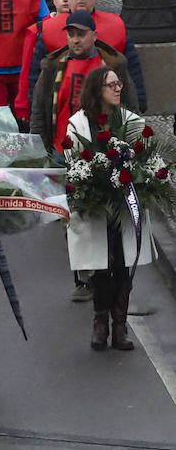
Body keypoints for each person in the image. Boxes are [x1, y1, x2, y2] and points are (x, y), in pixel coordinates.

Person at [65, 66, 144, 350]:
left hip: (124, 207)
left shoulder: (131, 121)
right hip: (97, 208)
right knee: (101, 268)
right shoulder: (78, 124)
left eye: (119, 83)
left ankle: (119, 328)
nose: (118, 88)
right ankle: (100, 324)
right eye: (111, 84)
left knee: (124, 267)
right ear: (98, 89)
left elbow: (143, 156)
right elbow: (72, 162)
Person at [31, 10, 135, 153]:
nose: (75, 40)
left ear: (94, 35)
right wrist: (40, 150)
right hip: (60, 151)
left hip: (103, 152)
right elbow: (39, 109)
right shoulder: (52, 67)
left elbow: (129, 105)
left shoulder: (113, 65)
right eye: (71, 34)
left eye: (81, 34)